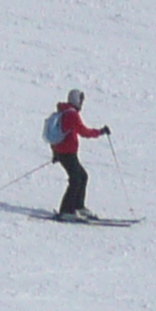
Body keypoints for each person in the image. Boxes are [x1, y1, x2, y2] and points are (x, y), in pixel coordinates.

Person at [46, 88, 109, 217]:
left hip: (64, 152)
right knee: (76, 179)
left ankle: (78, 206)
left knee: (82, 176)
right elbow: (83, 132)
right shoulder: (71, 114)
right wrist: (100, 132)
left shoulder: (64, 111)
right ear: (76, 100)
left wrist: (55, 153)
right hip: (67, 153)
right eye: (81, 100)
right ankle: (66, 210)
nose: (82, 103)